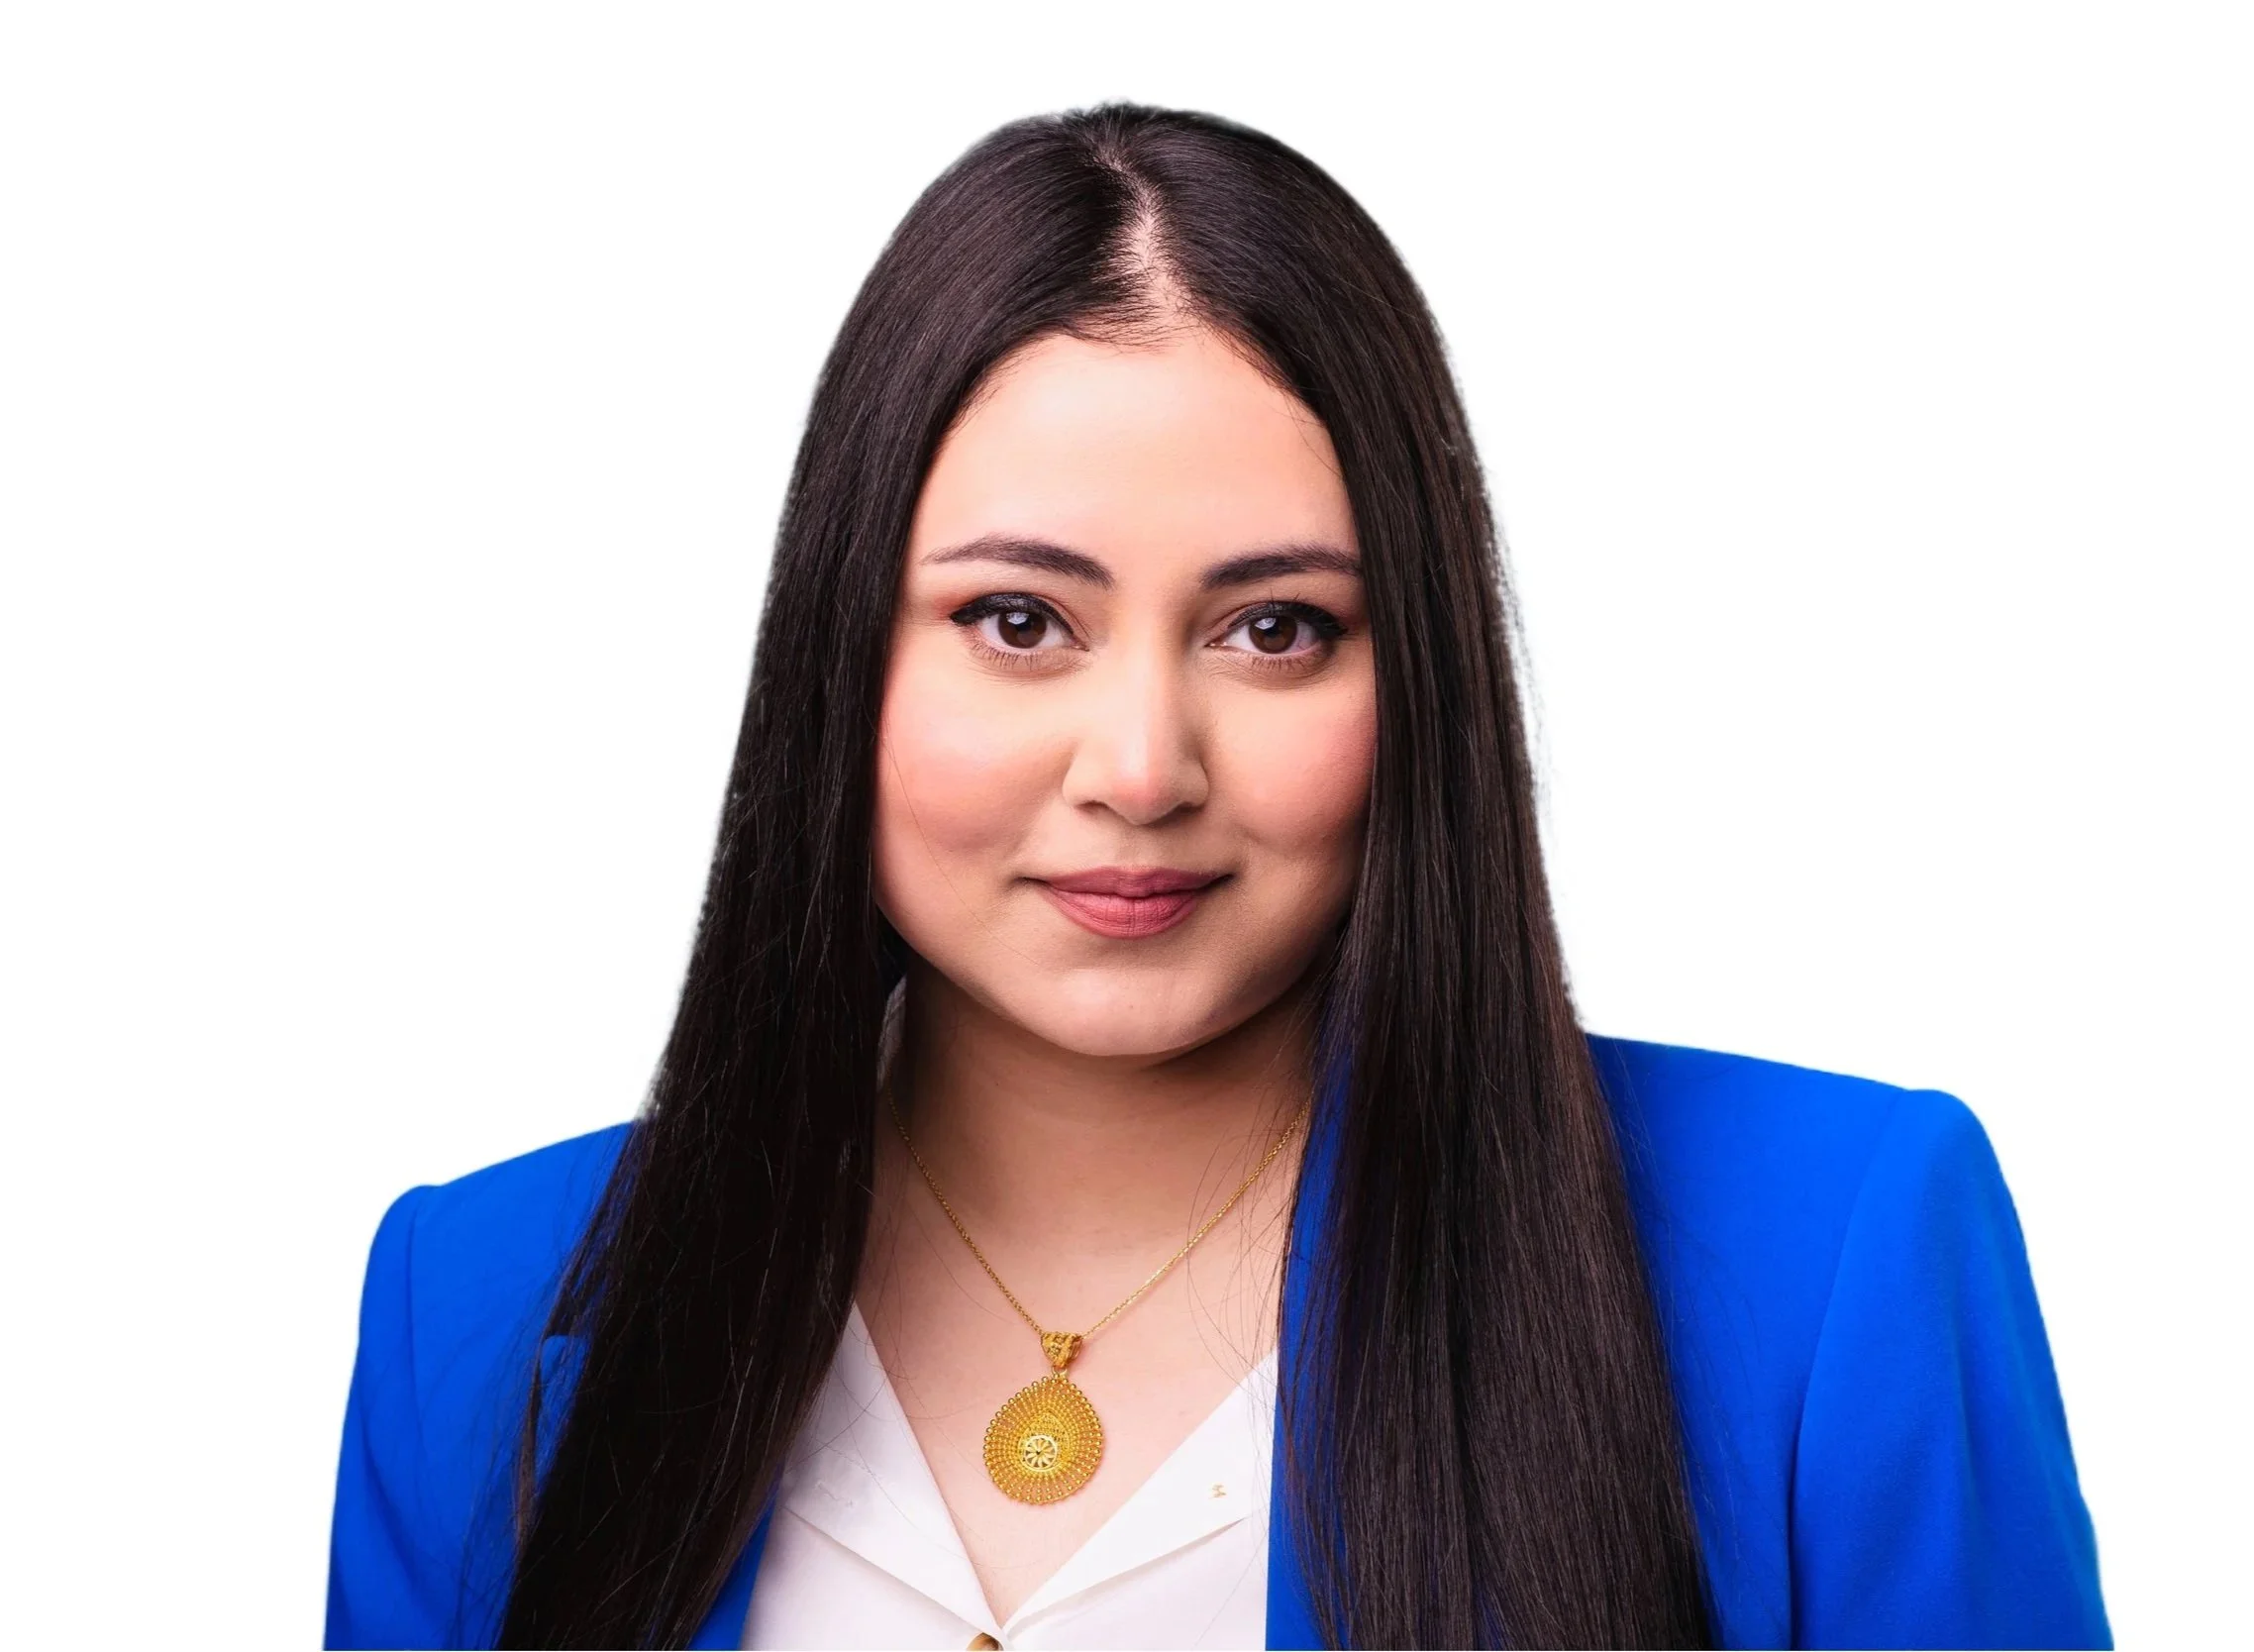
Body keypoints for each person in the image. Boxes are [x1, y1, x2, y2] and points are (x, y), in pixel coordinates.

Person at [324, 104, 2109, 1650]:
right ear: (838, 658)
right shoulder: (478, 1306)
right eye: (1018, 622)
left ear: (1416, 675)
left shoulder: (1830, 1261)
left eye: (1275, 629)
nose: (1142, 768)